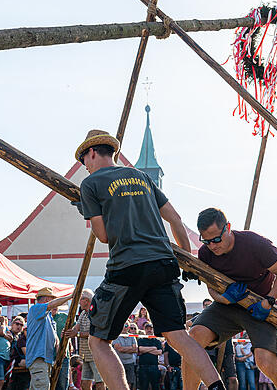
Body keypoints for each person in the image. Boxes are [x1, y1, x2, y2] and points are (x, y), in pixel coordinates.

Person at [74, 129, 226, 390]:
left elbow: (103, 236)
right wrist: (187, 257)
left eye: (83, 161)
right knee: (179, 335)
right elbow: (175, 218)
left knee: (98, 341)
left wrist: (87, 211)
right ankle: (216, 386)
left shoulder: (91, 184)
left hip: (127, 266)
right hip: (163, 264)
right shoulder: (141, 177)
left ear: (91, 152)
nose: (84, 167)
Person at [187, 208, 277, 390]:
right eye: (206, 241)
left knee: (265, 361)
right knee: (193, 339)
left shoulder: (256, 244)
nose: (212, 246)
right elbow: (211, 288)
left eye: (216, 239)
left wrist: (268, 301)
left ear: (227, 228)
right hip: (226, 307)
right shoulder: (205, 253)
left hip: (260, 307)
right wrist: (223, 299)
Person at [26, 287, 74, 390]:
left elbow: (54, 334)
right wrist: (70, 297)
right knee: (42, 387)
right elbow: (52, 305)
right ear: (47, 299)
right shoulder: (36, 308)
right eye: (52, 299)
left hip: (45, 359)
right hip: (38, 358)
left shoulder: (48, 316)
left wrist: (58, 346)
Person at [68, 289, 103, 390]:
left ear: (86, 300)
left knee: (99, 383)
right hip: (85, 355)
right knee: (84, 384)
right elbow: (76, 327)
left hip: (96, 355)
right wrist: (69, 332)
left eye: (80, 299)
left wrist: (77, 334)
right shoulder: (83, 313)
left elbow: (95, 333)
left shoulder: (96, 313)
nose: (79, 302)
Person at [111, 324, 138, 390]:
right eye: (122, 325)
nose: (124, 327)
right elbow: (119, 349)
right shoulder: (116, 336)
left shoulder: (132, 336)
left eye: (126, 326)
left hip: (130, 362)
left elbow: (135, 349)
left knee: (129, 381)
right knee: (119, 382)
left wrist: (124, 349)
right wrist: (130, 348)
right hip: (119, 363)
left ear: (128, 327)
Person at [137, 323, 163, 390]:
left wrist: (146, 350)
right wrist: (154, 348)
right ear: (144, 330)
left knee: (155, 387)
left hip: (154, 367)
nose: (149, 330)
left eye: (151, 329)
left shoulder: (157, 341)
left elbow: (159, 352)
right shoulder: (141, 340)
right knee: (143, 387)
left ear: (153, 330)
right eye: (147, 329)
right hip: (143, 367)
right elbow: (140, 349)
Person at [8, 316, 30, 390]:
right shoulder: (8, 333)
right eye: (17, 324)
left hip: (19, 362)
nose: (19, 326)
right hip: (11, 361)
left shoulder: (21, 337)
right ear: (12, 324)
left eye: (21, 325)